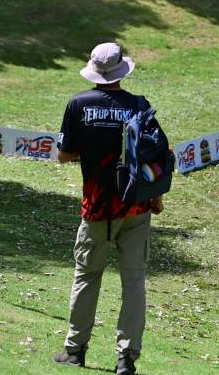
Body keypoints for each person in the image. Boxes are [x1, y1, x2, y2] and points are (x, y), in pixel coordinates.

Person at [52, 42, 164, 375]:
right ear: (120, 72)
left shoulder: (78, 105)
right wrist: (156, 198)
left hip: (96, 206)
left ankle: (75, 351)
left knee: (86, 277)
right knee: (133, 282)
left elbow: (63, 154)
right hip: (135, 206)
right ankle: (126, 358)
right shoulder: (139, 106)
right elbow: (156, 156)